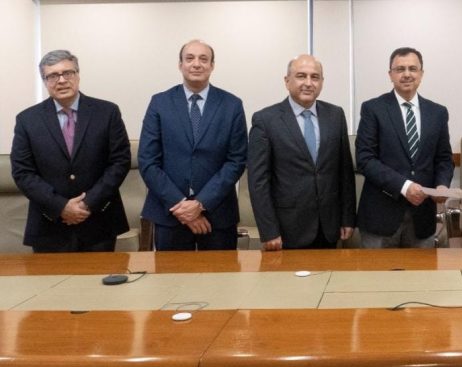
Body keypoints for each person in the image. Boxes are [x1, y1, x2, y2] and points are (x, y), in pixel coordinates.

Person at [11, 50, 130, 253]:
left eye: (67, 73)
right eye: (52, 76)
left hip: (99, 223)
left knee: (100, 275)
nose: (61, 80)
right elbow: (23, 172)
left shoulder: (107, 112)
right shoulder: (27, 120)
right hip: (49, 225)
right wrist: (61, 206)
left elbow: (120, 162)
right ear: (45, 81)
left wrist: (88, 203)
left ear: (78, 75)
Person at [139, 40, 248, 250]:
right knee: (171, 273)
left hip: (217, 215)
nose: (196, 64)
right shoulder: (160, 103)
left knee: (219, 272)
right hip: (170, 214)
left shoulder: (232, 105)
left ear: (212, 65)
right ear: (180, 65)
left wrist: (200, 204)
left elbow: (236, 160)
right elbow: (148, 161)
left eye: (203, 59)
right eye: (189, 58)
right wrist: (181, 206)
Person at [247, 54, 356, 250]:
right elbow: (258, 181)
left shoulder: (335, 115)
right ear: (287, 81)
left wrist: (347, 218)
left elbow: (345, 172)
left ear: (322, 82)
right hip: (286, 229)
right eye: (301, 76)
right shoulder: (266, 120)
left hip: (328, 227)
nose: (308, 83)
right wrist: (269, 230)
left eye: (315, 77)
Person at [355, 47, 454, 248]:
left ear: (421, 74)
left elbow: (443, 158)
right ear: (390, 74)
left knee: (421, 270)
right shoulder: (373, 109)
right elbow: (365, 159)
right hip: (380, 216)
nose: (407, 74)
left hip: (422, 217)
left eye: (412, 69)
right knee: (376, 270)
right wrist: (404, 186)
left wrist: (442, 185)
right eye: (400, 69)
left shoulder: (437, 112)